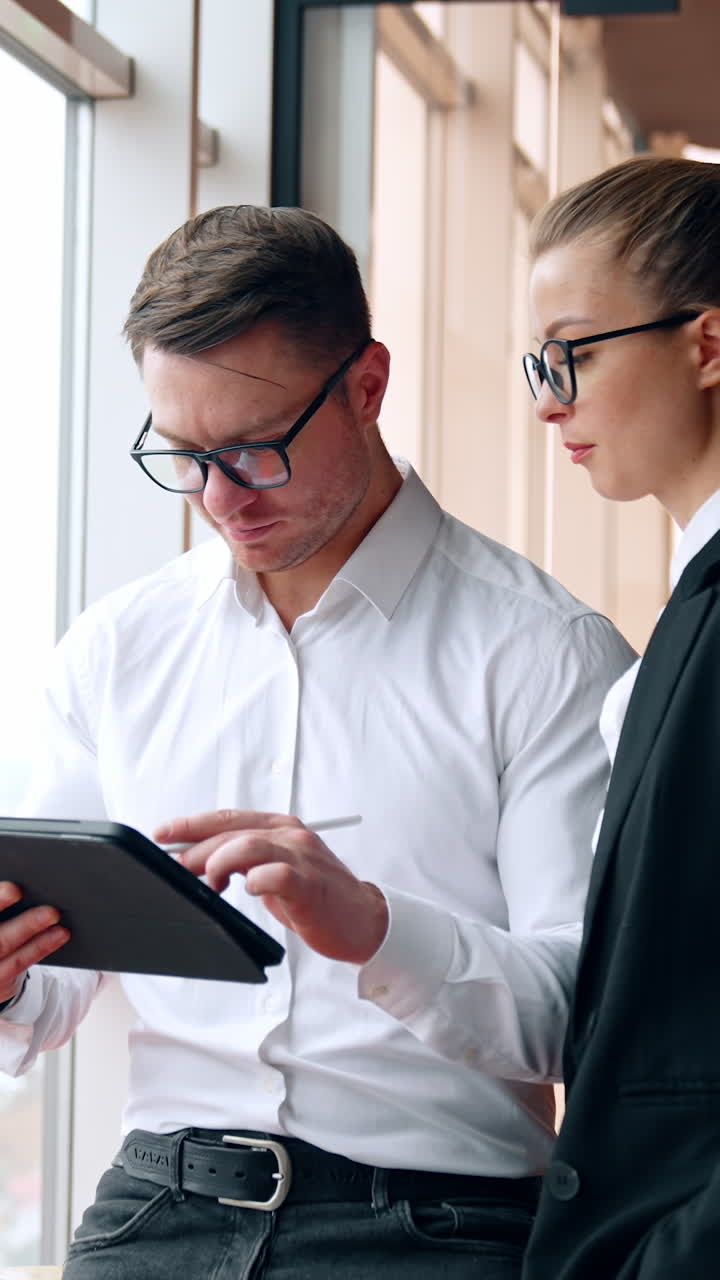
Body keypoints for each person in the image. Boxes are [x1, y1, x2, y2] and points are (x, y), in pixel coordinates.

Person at [0, 204, 633, 1279]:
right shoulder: (118, 647)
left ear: (368, 386)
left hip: (437, 1229)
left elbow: (588, 1017)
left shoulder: (546, 653)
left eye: (252, 449)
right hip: (157, 1208)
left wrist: (378, 928)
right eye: (183, 453)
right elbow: (52, 986)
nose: (218, 496)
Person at [520, 154, 720, 1280]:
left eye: (575, 353)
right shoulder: (685, 610)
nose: (551, 400)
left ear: (706, 342)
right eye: (539, 364)